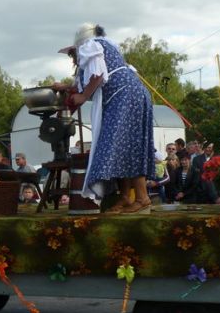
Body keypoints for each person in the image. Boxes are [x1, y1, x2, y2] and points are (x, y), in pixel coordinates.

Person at [56, 23, 154, 214]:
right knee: (121, 148)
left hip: (124, 96)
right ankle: (126, 197)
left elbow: (98, 75)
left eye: (73, 54)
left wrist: (83, 97)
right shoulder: (103, 46)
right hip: (131, 93)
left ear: (80, 43)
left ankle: (142, 198)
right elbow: (87, 79)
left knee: (126, 145)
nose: (73, 59)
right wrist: (66, 88)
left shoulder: (90, 46)